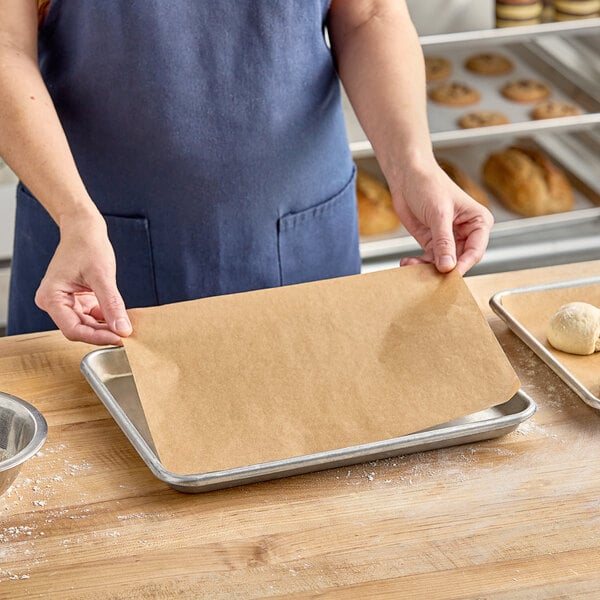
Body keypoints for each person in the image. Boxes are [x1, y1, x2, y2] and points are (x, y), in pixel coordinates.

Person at [0, 0, 493, 346]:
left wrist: (413, 165)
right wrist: (75, 215)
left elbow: (370, 13)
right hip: (91, 241)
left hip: (303, 235)